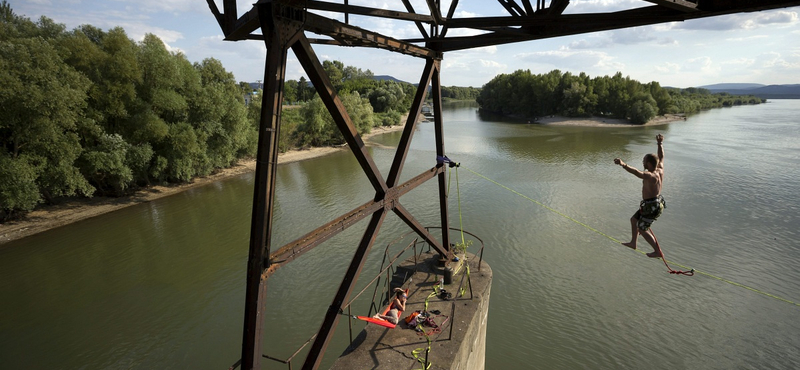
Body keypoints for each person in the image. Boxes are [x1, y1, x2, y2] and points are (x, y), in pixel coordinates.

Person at [614, 134, 666, 258]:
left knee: (642, 229)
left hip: (652, 206)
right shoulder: (660, 168)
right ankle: (633, 243)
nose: (642, 162)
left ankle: (658, 252)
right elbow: (661, 157)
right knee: (634, 220)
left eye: (644, 160)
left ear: (648, 163)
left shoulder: (651, 175)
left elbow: (636, 172)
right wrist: (660, 143)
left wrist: (623, 164)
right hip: (653, 204)